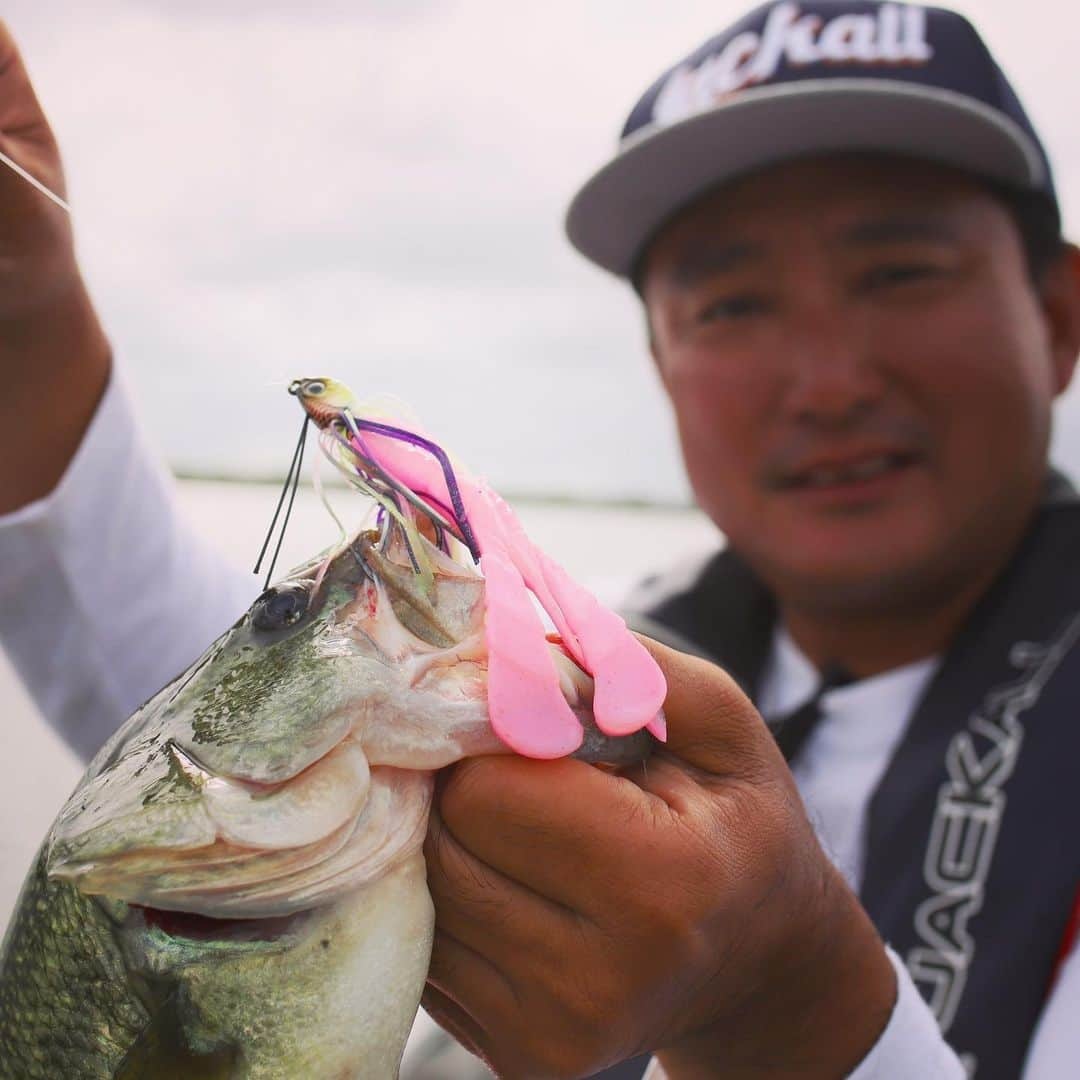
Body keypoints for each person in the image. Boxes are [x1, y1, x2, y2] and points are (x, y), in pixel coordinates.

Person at [0, 5, 1077, 1080]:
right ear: (661, 363)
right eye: (733, 303)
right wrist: (30, 316)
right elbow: (212, 748)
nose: (829, 382)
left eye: (898, 273)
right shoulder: (592, 654)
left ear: (1061, 316)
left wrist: (788, 1008)